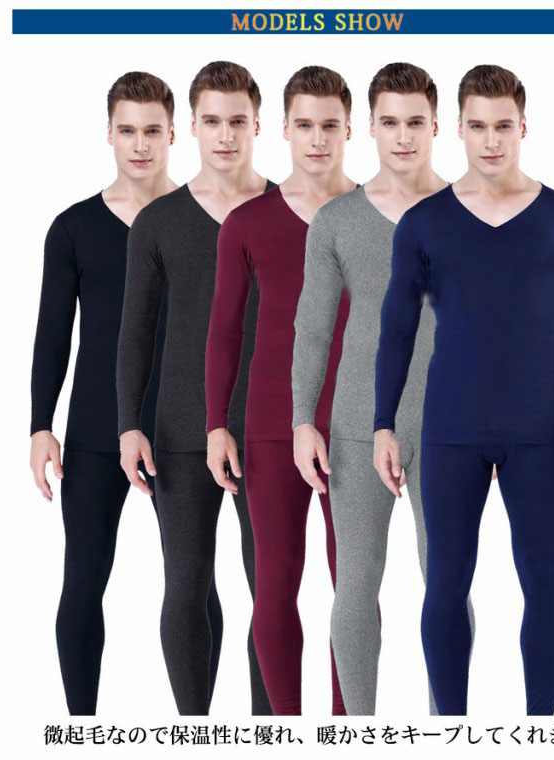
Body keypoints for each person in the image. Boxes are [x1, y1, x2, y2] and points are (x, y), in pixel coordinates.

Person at [374, 64, 554, 715]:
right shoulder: (424, 223)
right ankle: (450, 735)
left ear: (523, 127)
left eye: (502, 126)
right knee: (445, 586)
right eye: (477, 126)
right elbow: (396, 330)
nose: (490, 140)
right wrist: (383, 424)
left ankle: (540, 734)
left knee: (544, 581)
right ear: (458, 128)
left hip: (537, 433)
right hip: (450, 431)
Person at [292, 62, 477, 716]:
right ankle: (359, 735)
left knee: (447, 587)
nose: (403, 136)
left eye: (415, 122)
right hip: (353, 424)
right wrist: (303, 420)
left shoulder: (471, 213)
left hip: (449, 427)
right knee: (354, 587)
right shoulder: (336, 220)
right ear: (369, 126)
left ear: (436, 126)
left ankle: (446, 730)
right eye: (390, 122)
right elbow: (313, 326)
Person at [117, 61, 273, 716]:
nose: (225, 135)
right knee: (185, 585)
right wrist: (129, 425)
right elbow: (136, 330)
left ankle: (271, 735)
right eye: (212, 121)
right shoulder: (158, 222)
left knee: (271, 593)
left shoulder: (290, 212)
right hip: (179, 431)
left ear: (258, 124)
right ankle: (193, 733)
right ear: (192, 127)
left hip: (268, 431)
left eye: (238, 120)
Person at [206, 66, 355, 715]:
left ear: (349, 130)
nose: (317, 139)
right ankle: (288, 734)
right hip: (270, 426)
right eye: (305, 125)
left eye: (329, 126)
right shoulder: (246, 223)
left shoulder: (378, 216)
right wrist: (217, 423)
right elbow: (225, 330)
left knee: (354, 590)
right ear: (284, 130)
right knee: (273, 587)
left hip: (357, 425)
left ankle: (348, 729)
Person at [30, 71, 176, 715]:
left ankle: (198, 730)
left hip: (181, 428)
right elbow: (52, 334)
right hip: (93, 430)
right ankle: (81, 733)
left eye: (152, 132)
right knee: (83, 583)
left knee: (192, 587)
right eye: (128, 131)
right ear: (109, 134)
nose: (140, 145)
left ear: (172, 135)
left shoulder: (204, 221)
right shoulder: (73, 228)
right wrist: (40, 425)